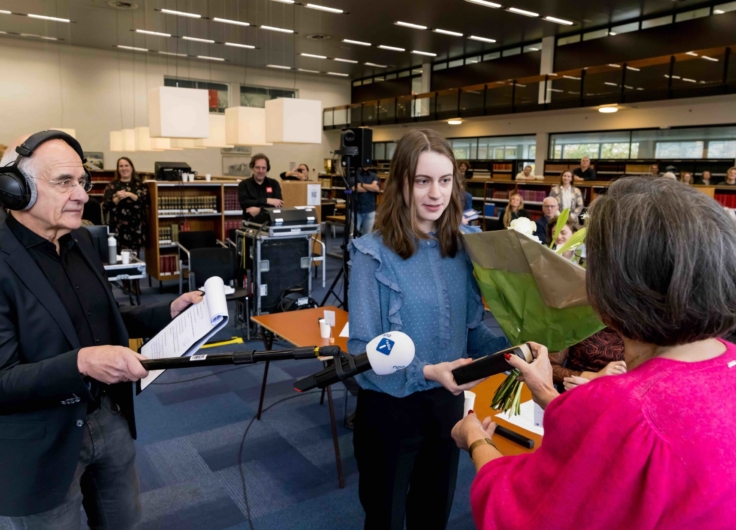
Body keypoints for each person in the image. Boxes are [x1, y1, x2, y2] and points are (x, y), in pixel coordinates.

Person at [451, 177, 736, 529]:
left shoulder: (622, 408)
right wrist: (547, 394)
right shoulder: (725, 362)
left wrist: (476, 440)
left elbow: (520, 513)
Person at [0, 131, 203, 528]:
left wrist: (169, 310)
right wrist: (82, 363)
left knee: (122, 521)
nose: (82, 195)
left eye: (83, 182)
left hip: (107, 417)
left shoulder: (82, 241)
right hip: (42, 442)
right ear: (15, 189)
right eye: (64, 182)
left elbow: (104, 319)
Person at [348, 129, 510, 530]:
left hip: (446, 407)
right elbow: (363, 351)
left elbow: (472, 331)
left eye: (444, 180)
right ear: (402, 183)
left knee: (432, 514)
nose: (435, 193)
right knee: (384, 516)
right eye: (423, 181)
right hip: (389, 408)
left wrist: (517, 345)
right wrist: (426, 370)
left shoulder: (463, 249)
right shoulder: (371, 254)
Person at [102, 157, 149, 256]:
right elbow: (105, 206)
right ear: (118, 169)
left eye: (126, 165)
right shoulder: (112, 185)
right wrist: (117, 198)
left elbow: (146, 203)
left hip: (136, 228)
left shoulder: (140, 185)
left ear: (132, 168)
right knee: (119, 258)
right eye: (121, 166)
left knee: (136, 258)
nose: (124, 168)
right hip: (118, 228)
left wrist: (130, 194)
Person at [238, 153, 283, 222]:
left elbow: (278, 205)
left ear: (267, 169)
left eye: (263, 168)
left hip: (270, 223)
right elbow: (245, 203)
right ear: (252, 168)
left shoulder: (274, 184)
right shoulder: (244, 184)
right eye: (257, 167)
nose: (261, 171)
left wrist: (259, 210)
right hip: (250, 224)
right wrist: (267, 201)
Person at [354, 167, 380, 235]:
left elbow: (376, 189)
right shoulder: (354, 174)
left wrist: (362, 184)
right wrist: (370, 187)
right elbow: (354, 188)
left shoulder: (373, 175)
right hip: (356, 210)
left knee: (367, 235)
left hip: (369, 209)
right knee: (353, 235)